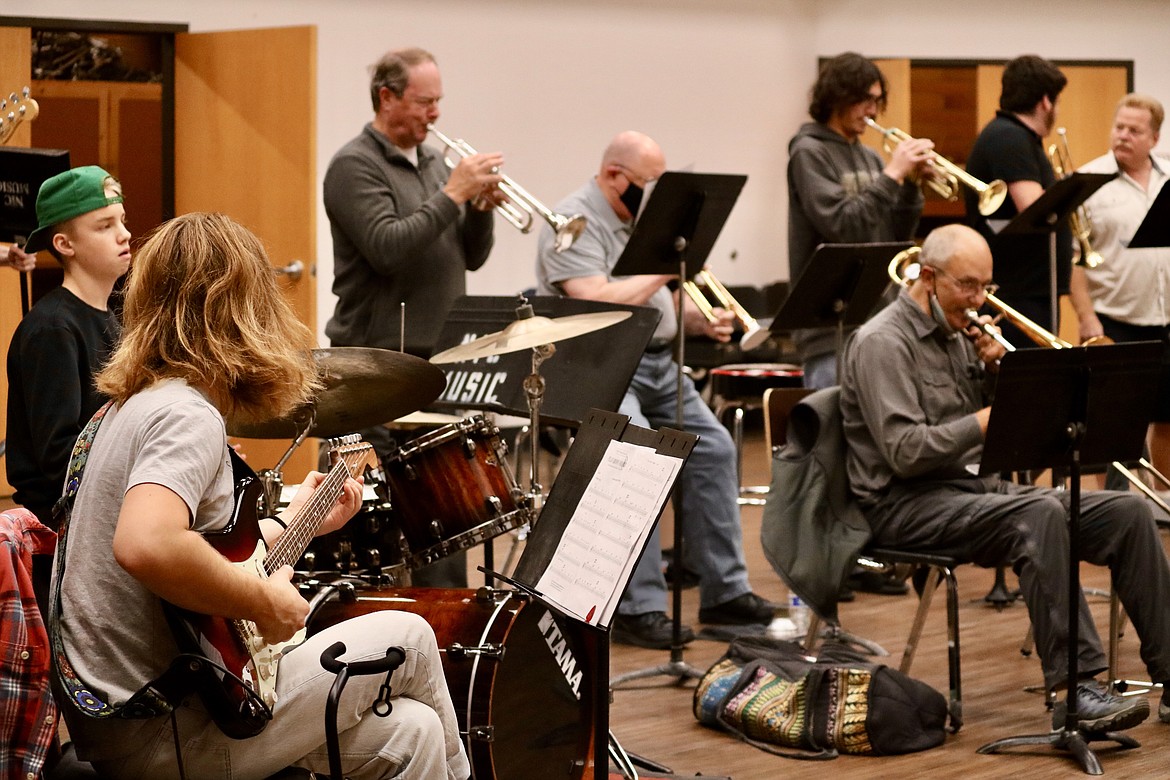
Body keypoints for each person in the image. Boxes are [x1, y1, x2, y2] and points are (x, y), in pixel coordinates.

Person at [51, 212, 470, 779]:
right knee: (413, 637)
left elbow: (204, 563)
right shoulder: (185, 414)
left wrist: (301, 521)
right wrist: (264, 603)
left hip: (131, 727)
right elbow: (147, 545)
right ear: (244, 308)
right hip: (168, 728)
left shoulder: (123, 410)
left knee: (409, 733)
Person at [840, 222, 1170, 731]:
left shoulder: (955, 333)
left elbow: (995, 441)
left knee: (1126, 511)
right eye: (967, 286)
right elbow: (905, 453)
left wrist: (1000, 380)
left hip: (968, 492)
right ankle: (1076, 689)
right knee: (1038, 511)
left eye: (986, 288)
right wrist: (984, 417)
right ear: (928, 277)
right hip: (902, 506)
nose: (978, 301)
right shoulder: (882, 342)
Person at [535, 130, 775, 649]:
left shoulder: (638, 219)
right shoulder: (572, 222)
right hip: (601, 365)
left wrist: (698, 320)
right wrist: (663, 266)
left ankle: (725, 592)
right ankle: (638, 605)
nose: (656, 195)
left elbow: (653, 306)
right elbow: (594, 298)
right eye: (649, 183)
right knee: (637, 457)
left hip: (658, 363)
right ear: (614, 177)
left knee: (713, 449)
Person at [323, 46, 505, 587]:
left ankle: (445, 624)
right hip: (375, 367)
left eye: (438, 101)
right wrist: (454, 194)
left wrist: (478, 212)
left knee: (445, 512)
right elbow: (387, 247)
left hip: (437, 361)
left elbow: (468, 256)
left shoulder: (432, 163)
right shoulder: (354, 165)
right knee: (375, 526)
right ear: (388, 97)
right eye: (425, 102)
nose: (436, 114)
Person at [5, 165, 129, 617]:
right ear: (65, 244)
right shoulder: (53, 328)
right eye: (105, 225)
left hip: (105, 523)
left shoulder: (113, 321)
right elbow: (60, 459)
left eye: (121, 220)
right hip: (66, 544)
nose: (125, 234)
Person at [787, 51, 930, 390]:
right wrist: (893, 173)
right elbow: (844, 225)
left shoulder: (868, 156)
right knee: (833, 434)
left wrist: (910, 186)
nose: (872, 112)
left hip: (877, 316)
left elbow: (895, 236)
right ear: (837, 96)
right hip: (828, 327)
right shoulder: (808, 152)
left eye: (877, 102)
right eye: (864, 100)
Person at [1068, 94, 1170, 482]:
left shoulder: (1168, 178)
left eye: (1135, 130)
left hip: (1166, 321)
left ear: (1154, 138)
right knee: (1112, 424)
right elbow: (1074, 262)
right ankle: (1114, 509)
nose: (1123, 136)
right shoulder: (1090, 182)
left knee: (1166, 417)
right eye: (1119, 127)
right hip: (1115, 321)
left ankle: (1162, 502)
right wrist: (1086, 317)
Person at [965, 54, 1077, 344]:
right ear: (1045, 102)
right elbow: (1034, 208)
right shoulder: (1009, 137)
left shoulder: (1017, 136)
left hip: (1029, 288)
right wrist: (1072, 190)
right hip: (1018, 293)